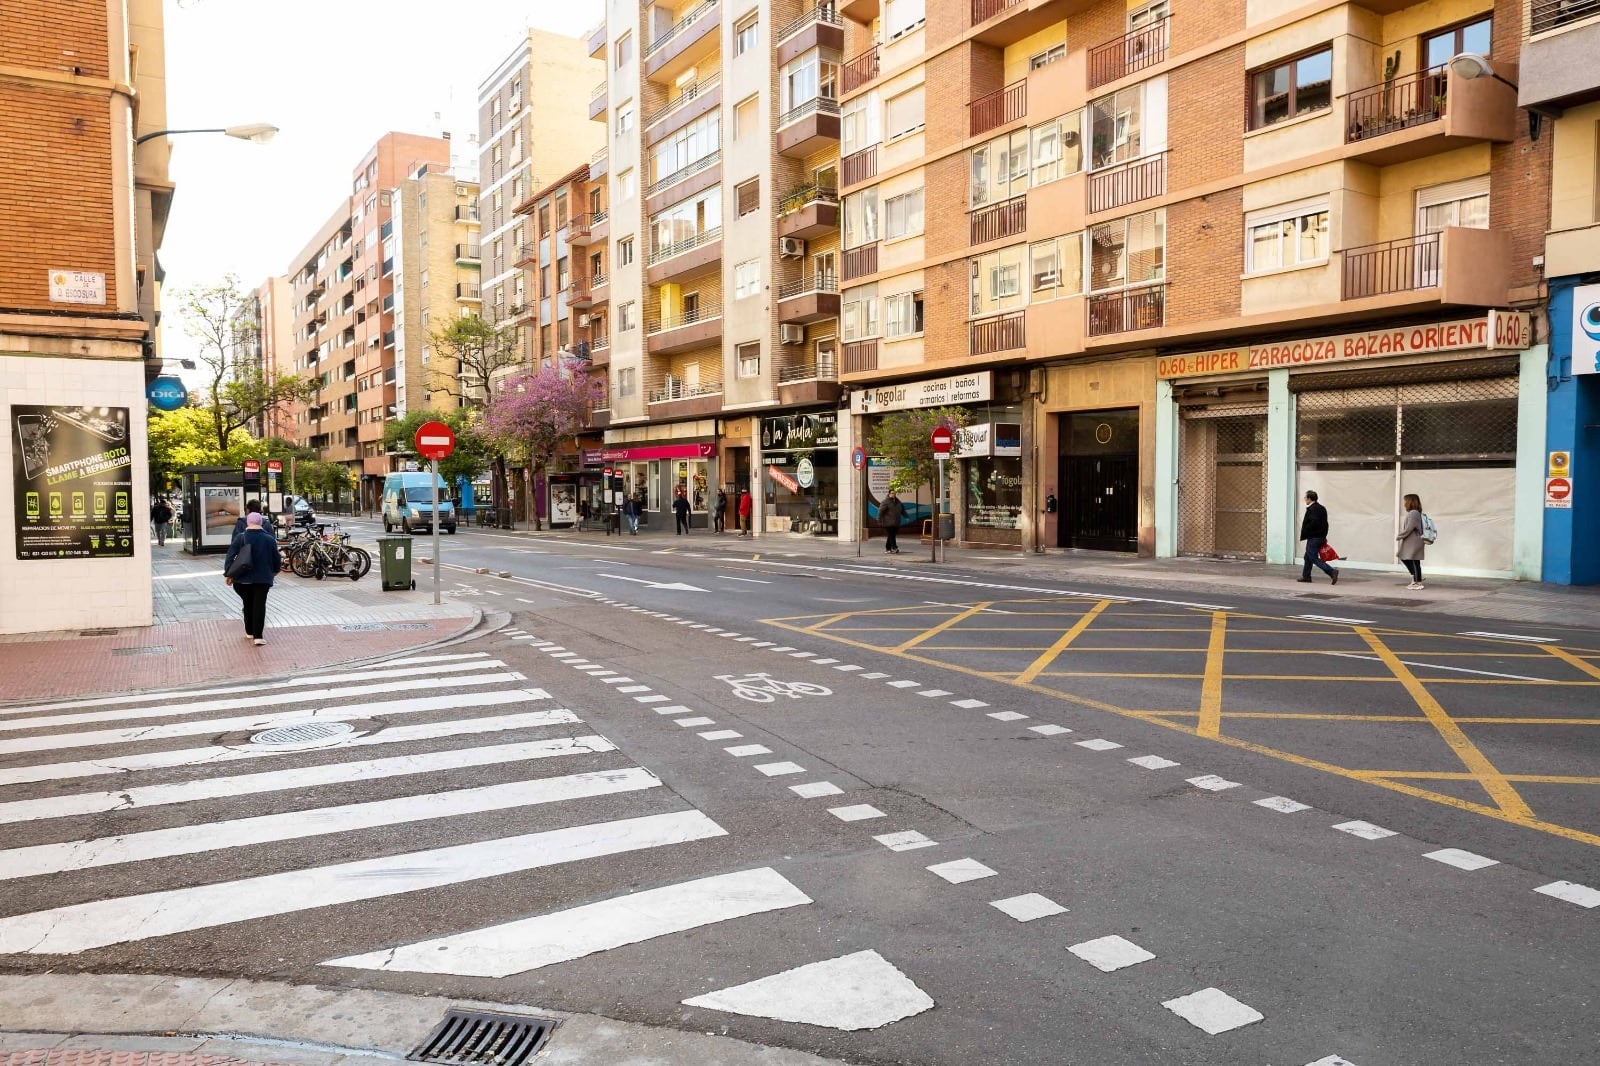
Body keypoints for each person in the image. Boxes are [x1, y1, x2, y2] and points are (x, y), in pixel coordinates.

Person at [224, 513, 283, 646]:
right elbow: (276, 559)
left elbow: (230, 556)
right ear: (261, 523)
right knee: (259, 605)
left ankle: (249, 631)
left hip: (241, 579)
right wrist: (274, 571)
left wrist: (228, 574)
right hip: (262, 579)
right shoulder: (269, 539)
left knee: (247, 603)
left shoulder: (240, 537)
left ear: (247, 523)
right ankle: (258, 636)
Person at [1297, 489, 1339, 584]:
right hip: (1319, 536)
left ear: (1309, 499)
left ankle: (1332, 571)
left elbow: (1314, 522)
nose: (1304, 499)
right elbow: (1325, 524)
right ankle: (1306, 576)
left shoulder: (1313, 509)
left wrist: (1307, 530)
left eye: (1305, 497)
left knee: (1313, 557)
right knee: (1307, 557)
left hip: (1314, 537)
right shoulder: (1321, 508)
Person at [1396, 493, 1426, 590]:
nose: (1404, 503)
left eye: (1405, 501)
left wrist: (1400, 535)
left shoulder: (1413, 513)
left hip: (1414, 540)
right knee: (1409, 558)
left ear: (1410, 501)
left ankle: (1418, 582)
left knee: (1412, 559)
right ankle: (1417, 577)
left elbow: (1410, 527)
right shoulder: (1415, 512)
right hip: (1413, 540)